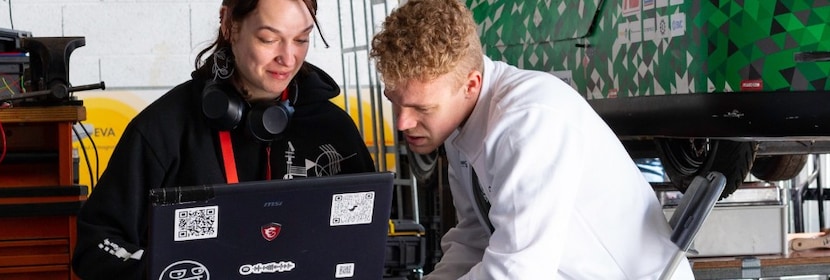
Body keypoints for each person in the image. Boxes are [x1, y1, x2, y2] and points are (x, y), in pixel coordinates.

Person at [369, 0, 694, 279]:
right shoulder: (460, 126)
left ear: (471, 85)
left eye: (422, 108)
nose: (402, 122)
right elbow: (475, 239)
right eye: (395, 101)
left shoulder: (525, 123)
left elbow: (518, 272)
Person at [71, 0, 376, 279]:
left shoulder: (334, 129)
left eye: (301, 39)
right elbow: (95, 246)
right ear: (229, 24)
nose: (287, 58)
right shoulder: (163, 127)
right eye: (268, 39)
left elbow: (367, 240)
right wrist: (172, 271)